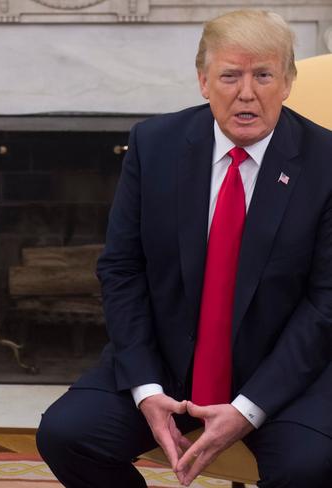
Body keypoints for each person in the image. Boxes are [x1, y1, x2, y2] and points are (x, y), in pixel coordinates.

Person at [37, 9, 332, 488]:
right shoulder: (154, 145)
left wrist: (248, 408)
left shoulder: (324, 163)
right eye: (230, 76)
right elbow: (121, 269)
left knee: (307, 468)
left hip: (282, 375)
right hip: (168, 363)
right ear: (203, 81)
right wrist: (147, 388)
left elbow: (326, 305)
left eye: (263, 75)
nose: (247, 93)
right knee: (66, 434)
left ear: (288, 81)